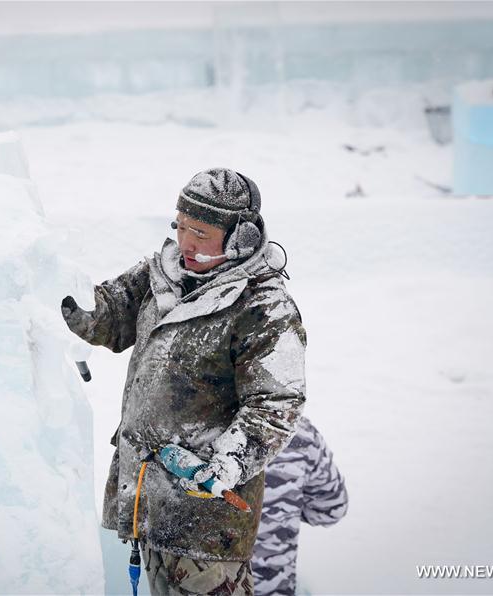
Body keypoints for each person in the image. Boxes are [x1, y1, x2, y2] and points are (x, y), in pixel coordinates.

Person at [61, 168, 307, 595]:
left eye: (201, 232)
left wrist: (224, 465)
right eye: (180, 226)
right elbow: (109, 318)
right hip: (142, 500)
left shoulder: (265, 308)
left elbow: (275, 404)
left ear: (240, 240)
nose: (186, 242)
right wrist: (61, 294)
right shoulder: (161, 275)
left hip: (205, 525)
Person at [252, 415, 349, 595]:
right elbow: (332, 508)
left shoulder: (190, 435)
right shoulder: (299, 433)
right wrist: (286, 511)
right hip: (273, 587)